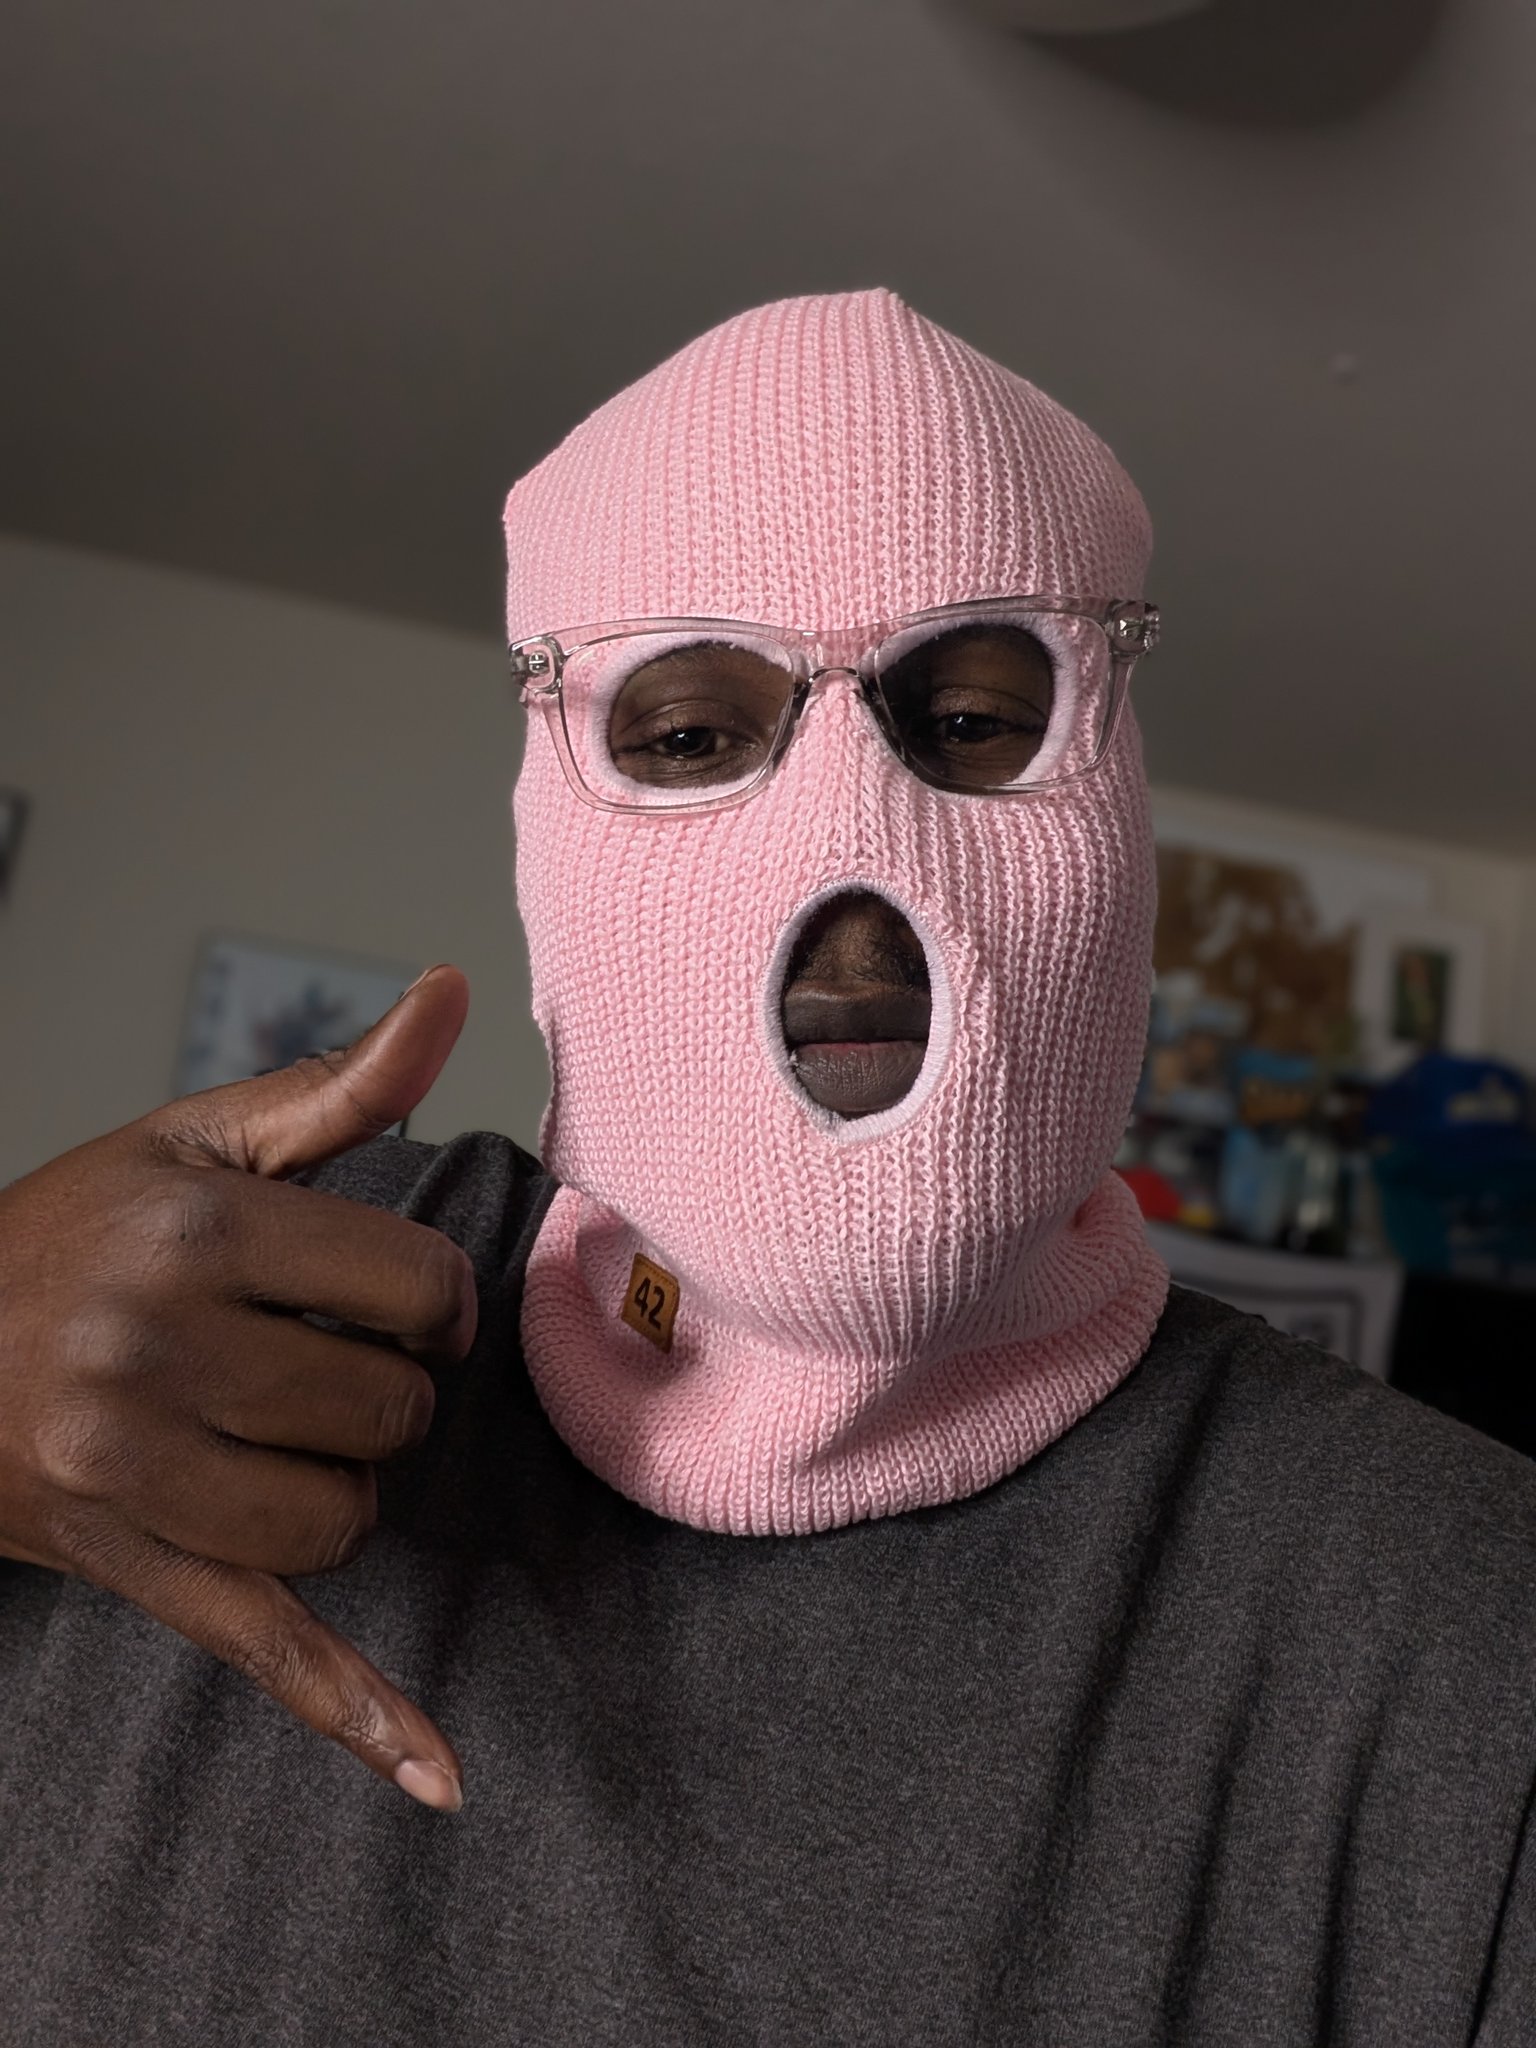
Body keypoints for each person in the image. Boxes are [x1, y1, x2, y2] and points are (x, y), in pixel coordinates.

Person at [1, 290, 1532, 2047]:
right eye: (687, 736)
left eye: (973, 718)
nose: (852, 853)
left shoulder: (1454, 1618)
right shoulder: (219, 1326)